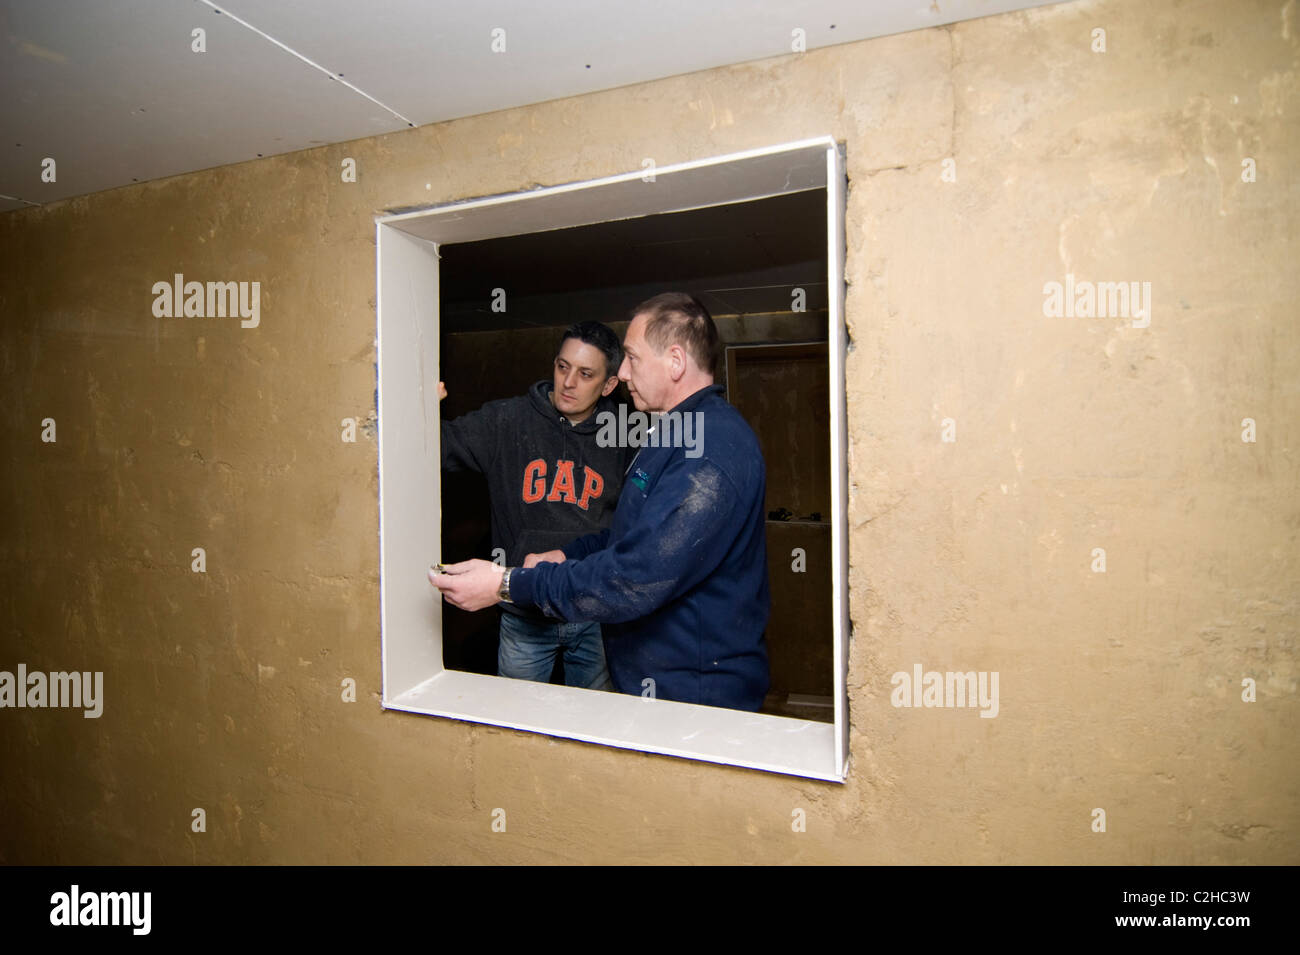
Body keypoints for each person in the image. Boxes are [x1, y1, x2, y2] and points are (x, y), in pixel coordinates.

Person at [432, 293, 771, 711]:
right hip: (653, 676)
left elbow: (636, 575)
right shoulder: (672, 434)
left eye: (631, 357)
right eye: (562, 367)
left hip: (692, 695)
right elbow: (635, 537)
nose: (624, 372)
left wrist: (507, 583)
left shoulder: (709, 450)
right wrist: (569, 552)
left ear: (676, 362)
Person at [438, 321, 630, 690]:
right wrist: (416, 407)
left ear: (608, 385)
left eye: (585, 374)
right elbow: (436, 448)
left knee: (594, 723)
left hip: (594, 611)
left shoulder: (625, 435)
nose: (569, 382)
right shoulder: (506, 421)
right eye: (563, 366)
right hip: (522, 610)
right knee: (517, 722)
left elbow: (632, 529)